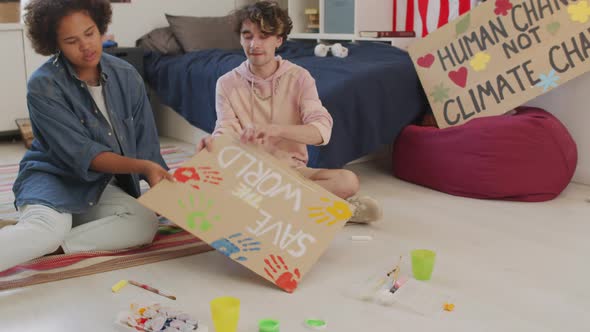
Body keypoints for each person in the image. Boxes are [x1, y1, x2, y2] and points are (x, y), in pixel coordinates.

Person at [0, 0, 173, 272]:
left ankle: (49, 245)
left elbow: (147, 148)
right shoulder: (43, 85)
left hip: (100, 186)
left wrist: (165, 194)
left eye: (90, 33)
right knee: (47, 230)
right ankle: (40, 233)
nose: (86, 46)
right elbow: (84, 154)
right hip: (54, 178)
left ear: (100, 26)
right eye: (71, 40)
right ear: (54, 43)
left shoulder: (127, 76)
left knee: (144, 223)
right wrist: (142, 167)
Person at [198, 1, 382, 223]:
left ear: (279, 40)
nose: (254, 44)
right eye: (248, 36)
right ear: (240, 38)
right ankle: (335, 210)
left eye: (264, 36)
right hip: (248, 174)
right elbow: (225, 130)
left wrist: (275, 130)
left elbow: (321, 131)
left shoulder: (300, 78)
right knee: (203, 186)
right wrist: (213, 145)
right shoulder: (226, 83)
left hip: (292, 174)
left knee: (347, 181)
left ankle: (278, 209)